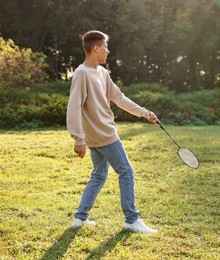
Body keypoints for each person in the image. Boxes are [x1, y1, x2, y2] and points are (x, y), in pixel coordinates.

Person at [66, 30, 158, 233]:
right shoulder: (81, 74)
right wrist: (77, 138)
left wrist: (144, 113)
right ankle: (132, 220)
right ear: (96, 48)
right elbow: (74, 107)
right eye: (106, 47)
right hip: (104, 135)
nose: (108, 51)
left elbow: (119, 98)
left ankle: (80, 217)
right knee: (126, 171)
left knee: (99, 174)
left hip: (96, 136)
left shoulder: (102, 73)